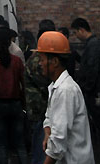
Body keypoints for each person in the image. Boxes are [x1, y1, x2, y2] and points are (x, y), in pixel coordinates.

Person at [37, 30, 94, 163]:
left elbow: (58, 142)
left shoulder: (65, 90)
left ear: (55, 61)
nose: (40, 63)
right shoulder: (55, 86)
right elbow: (49, 117)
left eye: (42, 59)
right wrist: (47, 133)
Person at [0, 26, 27, 164]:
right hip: (15, 102)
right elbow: (23, 83)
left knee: (1, 144)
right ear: (10, 41)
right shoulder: (16, 61)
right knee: (20, 143)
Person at [25, 18, 55, 164]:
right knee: (40, 148)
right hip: (39, 109)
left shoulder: (40, 57)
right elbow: (47, 86)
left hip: (41, 109)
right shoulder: (38, 60)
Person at [71, 16, 100, 138]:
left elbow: (92, 69)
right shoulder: (92, 44)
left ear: (81, 30)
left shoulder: (93, 45)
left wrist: (86, 88)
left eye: (75, 32)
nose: (75, 36)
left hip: (93, 92)